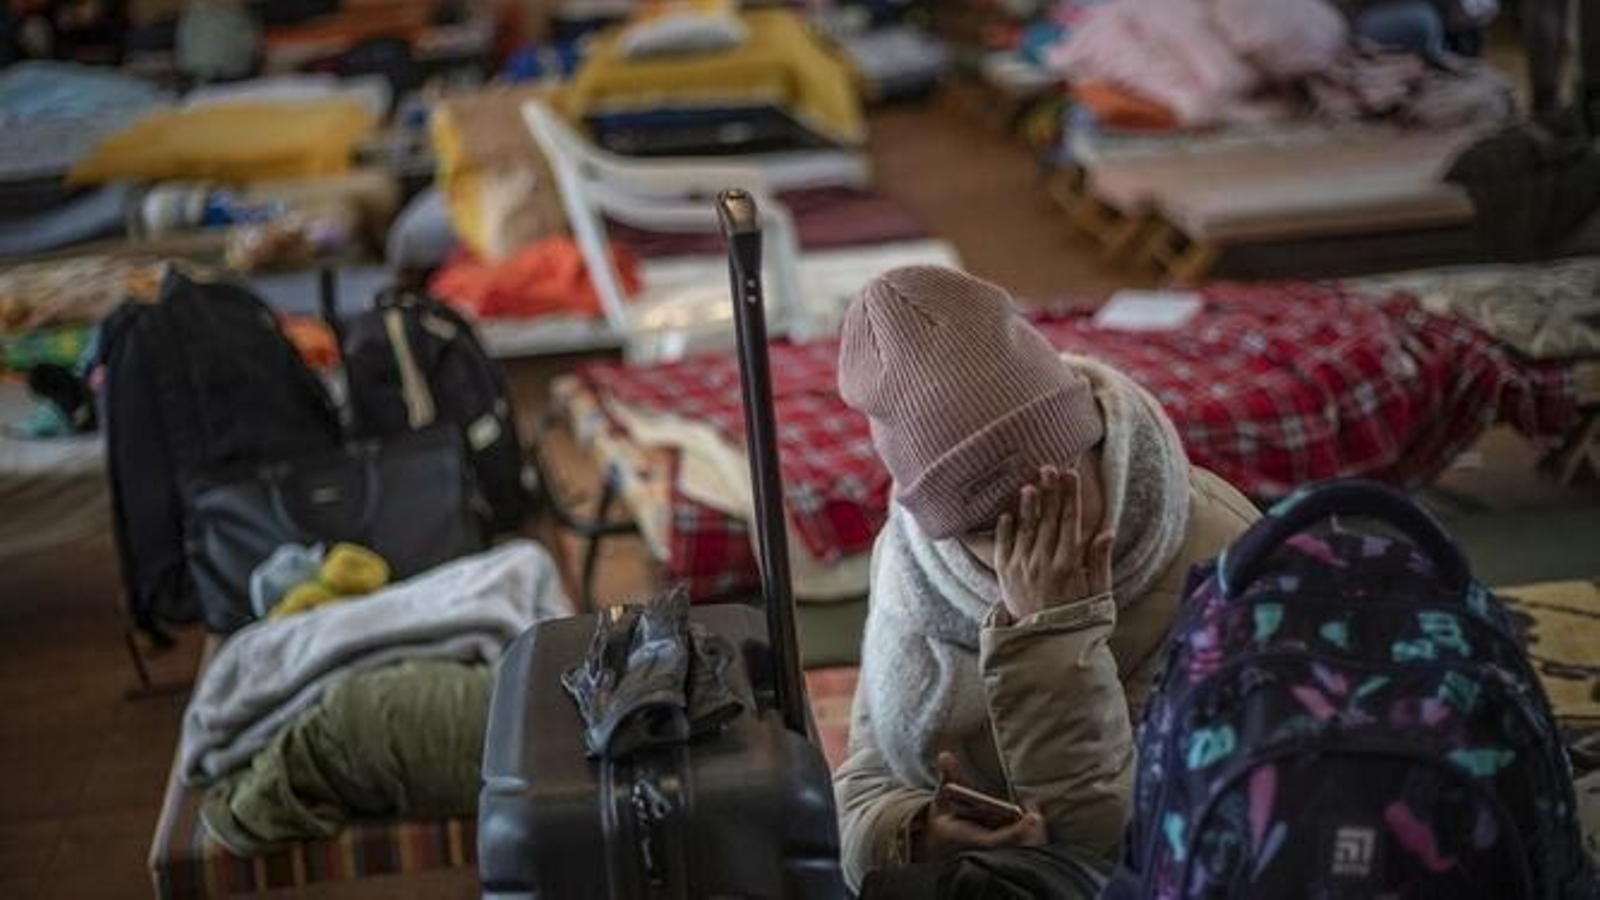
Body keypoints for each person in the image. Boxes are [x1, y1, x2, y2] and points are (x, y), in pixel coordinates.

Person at [831, 267, 1260, 893]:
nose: (1027, 549)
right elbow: (863, 781)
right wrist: (917, 835)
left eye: (1049, 500)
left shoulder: (1223, 553)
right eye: (988, 528)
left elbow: (1140, 847)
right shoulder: (911, 565)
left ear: (1093, 441)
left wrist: (1052, 639)